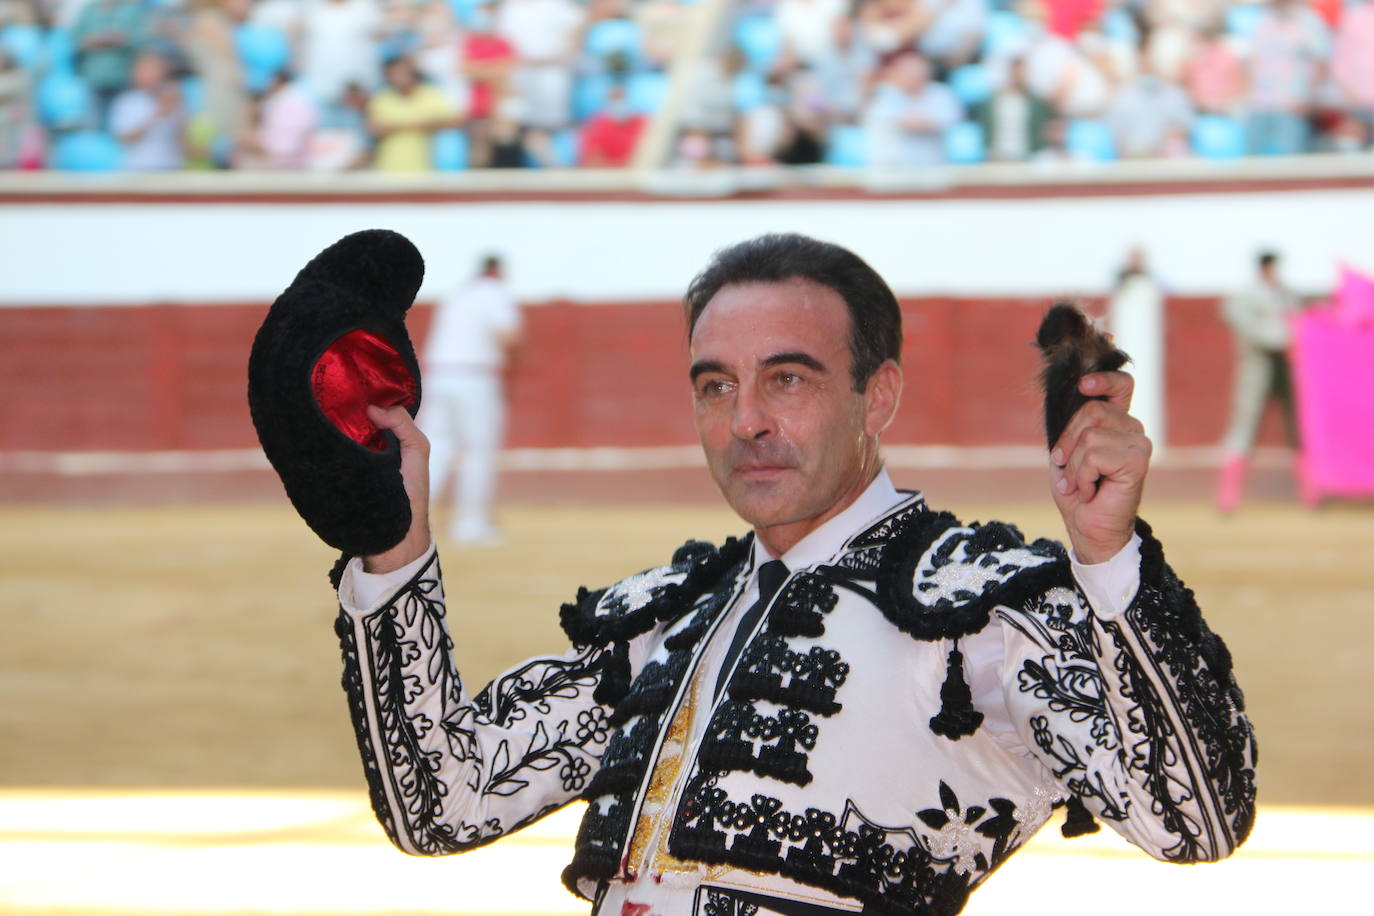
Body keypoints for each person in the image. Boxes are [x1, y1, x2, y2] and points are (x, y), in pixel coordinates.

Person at [334, 234, 1256, 916]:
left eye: (788, 379)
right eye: (716, 385)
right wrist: (394, 545)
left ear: (878, 395)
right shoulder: (673, 616)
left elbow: (1197, 820)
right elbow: (441, 800)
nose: (745, 421)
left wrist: (1107, 554)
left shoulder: (980, 609)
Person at [418, 254, 522, 543]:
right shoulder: (495, 293)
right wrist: (518, 357)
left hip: (439, 376)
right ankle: (471, 523)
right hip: (475, 378)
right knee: (479, 451)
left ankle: (410, 521)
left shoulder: (458, 295)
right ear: (499, 271)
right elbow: (510, 336)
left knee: (435, 448)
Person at [1216, 250, 1303, 513]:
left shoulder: (1286, 295)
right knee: (1244, 428)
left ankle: (1311, 495)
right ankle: (1227, 497)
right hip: (1257, 368)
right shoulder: (1247, 297)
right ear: (1263, 268)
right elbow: (1255, 330)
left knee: (1300, 428)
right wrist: (1289, 339)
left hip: (1287, 369)